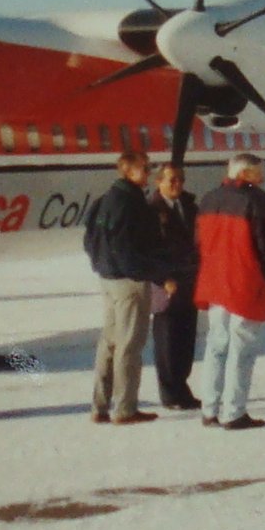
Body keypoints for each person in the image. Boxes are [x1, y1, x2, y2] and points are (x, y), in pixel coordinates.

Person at [81, 151, 171, 425]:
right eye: (145, 168)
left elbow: (90, 239)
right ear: (129, 171)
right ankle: (125, 408)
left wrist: (101, 263)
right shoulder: (131, 204)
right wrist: (152, 274)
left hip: (108, 279)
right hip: (129, 281)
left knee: (109, 341)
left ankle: (99, 405)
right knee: (129, 345)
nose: (149, 173)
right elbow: (129, 247)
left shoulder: (105, 200)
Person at [194, 153, 265, 430]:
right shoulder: (255, 202)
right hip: (243, 281)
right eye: (258, 172)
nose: (263, 177)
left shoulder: (208, 199)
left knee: (216, 344)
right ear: (245, 174)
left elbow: (197, 241)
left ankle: (210, 407)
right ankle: (233, 411)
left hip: (214, 280)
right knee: (241, 347)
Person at [145, 162, 202, 410]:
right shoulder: (150, 211)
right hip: (167, 285)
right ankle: (170, 393)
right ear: (158, 182)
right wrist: (162, 279)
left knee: (186, 340)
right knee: (167, 341)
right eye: (172, 180)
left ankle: (182, 388)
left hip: (190, 281)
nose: (177, 184)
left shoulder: (188, 206)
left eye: (180, 179)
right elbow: (148, 251)